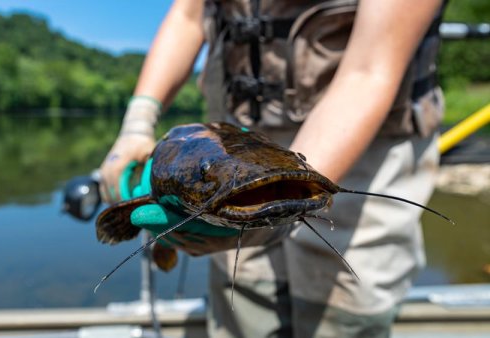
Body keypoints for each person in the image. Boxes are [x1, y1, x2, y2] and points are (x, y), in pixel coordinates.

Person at [99, 0, 446, 337]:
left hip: (365, 145)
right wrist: (138, 120)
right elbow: (190, 14)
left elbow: (369, 71)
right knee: (244, 301)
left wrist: (298, 182)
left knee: (345, 308)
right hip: (229, 140)